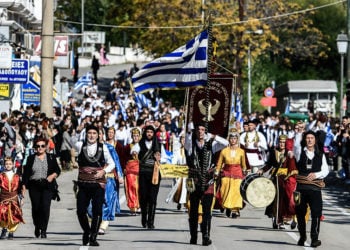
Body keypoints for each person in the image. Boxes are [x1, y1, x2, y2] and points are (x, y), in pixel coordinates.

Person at [184, 122, 228, 246]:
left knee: (207, 211)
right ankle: (193, 236)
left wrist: (214, 137)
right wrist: (189, 130)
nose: (200, 132)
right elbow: (187, 139)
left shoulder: (211, 145)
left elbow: (226, 143)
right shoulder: (190, 145)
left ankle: (205, 236)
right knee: (192, 210)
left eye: (203, 130)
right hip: (193, 180)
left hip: (208, 181)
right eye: (198, 130)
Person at [74, 125, 115, 246]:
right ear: (86, 135)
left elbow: (111, 163)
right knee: (80, 211)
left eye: (94, 133)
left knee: (97, 211)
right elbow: (71, 140)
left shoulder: (103, 148)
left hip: (98, 184)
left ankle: (93, 237)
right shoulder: (80, 145)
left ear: (98, 136)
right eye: (89, 133)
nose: (91, 135)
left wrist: (103, 171)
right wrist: (78, 130)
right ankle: (86, 231)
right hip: (83, 184)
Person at [295, 130, 329, 248]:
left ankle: (314, 238)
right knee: (300, 213)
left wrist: (316, 174)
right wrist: (299, 132)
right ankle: (302, 236)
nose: (309, 140)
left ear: (315, 141)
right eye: (307, 138)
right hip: (301, 188)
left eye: (312, 138)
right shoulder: (299, 152)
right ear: (305, 140)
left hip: (315, 188)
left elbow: (326, 170)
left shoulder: (321, 155)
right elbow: (295, 145)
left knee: (316, 213)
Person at [22, 137, 61, 239]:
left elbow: (58, 170)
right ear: (35, 147)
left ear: (46, 147)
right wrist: (23, 186)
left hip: (47, 185)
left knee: (45, 207)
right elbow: (26, 174)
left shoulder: (51, 157)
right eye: (38, 146)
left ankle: (43, 230)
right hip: (34, 185)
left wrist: (52, 176)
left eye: (42, 146)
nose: (40, 148)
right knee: (36, 208)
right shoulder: (31, 158)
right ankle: (37, 226)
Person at [260, 135, 298, 229]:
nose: (282, 144)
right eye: (280, 142)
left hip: (286, 178)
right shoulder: (274, 152)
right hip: (276, 178)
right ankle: (277, 219)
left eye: (284, 142)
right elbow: (269, 164)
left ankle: (284, 218)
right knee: (276, 199)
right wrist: (262, 170)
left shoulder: (289, 154)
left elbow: (293, 166)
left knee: (286, 199)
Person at [132, 125, 161, 229]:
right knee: (144, 197)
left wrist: (159, 158)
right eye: (148, 132)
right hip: (143, 174)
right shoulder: (140, 143)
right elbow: (134, 150)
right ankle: (144, 218)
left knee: (153, 198)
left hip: (155, 174)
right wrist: (134, 152)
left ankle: (151, 222)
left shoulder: (158, 145)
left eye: (151, 132)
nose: (149, 134)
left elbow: (166, 158)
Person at [96, 128, 123, 235]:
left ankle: (103, 225)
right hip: (94, 179)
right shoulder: (89, 148)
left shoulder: (110, 148)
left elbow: (116, 162)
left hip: (109, 178)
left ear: (102, 135)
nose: (97, 136)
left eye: (99, 133)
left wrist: (120, 176)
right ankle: (96, 221)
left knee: (107, 200)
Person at [215, 130, 246, 218]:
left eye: (235, 138)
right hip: (226, 172)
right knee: (224, 190)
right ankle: (228, 206)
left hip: (237, 173)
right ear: (229, 139)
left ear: (237, 140)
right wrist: (217, 171)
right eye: (231, 138)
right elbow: (219, 163)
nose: (233, 140)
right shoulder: (224, 151)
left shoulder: (241, 151)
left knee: (236, 192)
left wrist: (245, 170)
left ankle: (235, 210)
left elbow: (243, 164)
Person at [0, 157, 24, 239]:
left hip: (14, 197)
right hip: (4, 198)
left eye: (10, 164)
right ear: (4, 165)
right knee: (3, 214)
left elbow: (20, 188)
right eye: (6, 164)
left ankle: (11, 231)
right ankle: (4, 229)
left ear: (13, 165)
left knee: (14, 214)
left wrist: (21, 198)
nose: (8, 165)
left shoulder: (16, 176)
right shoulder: (1, 176)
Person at [123, 127, 141, 215]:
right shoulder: (127, 147)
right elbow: (123, 158)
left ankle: (140, 205)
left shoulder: (143, 147)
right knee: (131, 188)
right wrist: (124, 168)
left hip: (140, 170)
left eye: (137, 136)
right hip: (130, 171)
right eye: (134, 136)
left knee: (140, 188)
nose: (135, 137)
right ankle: (133, 206)